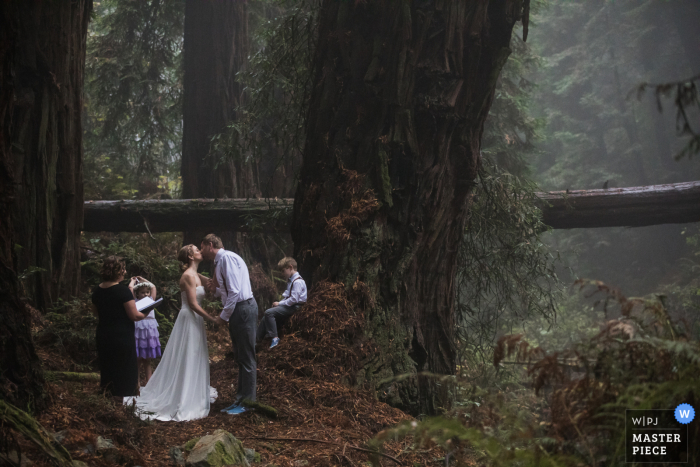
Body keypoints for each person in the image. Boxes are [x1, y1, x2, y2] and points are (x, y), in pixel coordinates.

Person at [124, 245, 219, 421]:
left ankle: (193, 391)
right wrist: (213, 319)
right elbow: (192, 304)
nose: (200, 251)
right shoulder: (188, 276)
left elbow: (214, 286)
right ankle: (183, 396)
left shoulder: (197, 275)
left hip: (195, 319)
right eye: (197, 249)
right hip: (189, 318)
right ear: (191, 256)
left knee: (196, 354)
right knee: (189, 354)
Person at [201, 233, 258, 415]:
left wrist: (222, 317)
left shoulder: (227, 259)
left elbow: (235, 292)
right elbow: (227, 290)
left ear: (210, 245)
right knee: (241, 357)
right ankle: (240, 399)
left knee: (247, 357)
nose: (201, 251)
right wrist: (215, 290)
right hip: (237, 309)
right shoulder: (220, 262)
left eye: (202, 247)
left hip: (242, 309)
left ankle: (248, 403)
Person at [92, 256, 147, 403]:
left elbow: (96, 313)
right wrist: (147, 311)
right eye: (123, 268)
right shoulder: (123, 291)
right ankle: (122, 402)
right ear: (117, 272)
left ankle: (107, 399)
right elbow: (135, 315)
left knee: (108, 366)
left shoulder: (97, 290)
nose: (125, 271)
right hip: (121, 336)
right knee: (124, 368)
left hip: (103, 334)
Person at [257, 257, 307, 349]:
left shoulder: (298, 282)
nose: (282, 274)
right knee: (266, 316)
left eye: (283, 271)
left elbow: (294, 300)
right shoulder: (291, 281)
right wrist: (279, 303)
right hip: (291, 305)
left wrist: (279, 304)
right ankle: (256, 340)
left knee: (269, 312)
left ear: (290, 267)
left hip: (296, 307)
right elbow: (288, 297)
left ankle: (275, 338)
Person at [128, 276, 161, 386]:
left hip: (149, 331)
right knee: (137, 360)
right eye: (143, 292)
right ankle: (136, 384)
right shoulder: (134, 302)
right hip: (139, 329)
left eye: (147, 292)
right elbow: (130, 289)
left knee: (147, 360)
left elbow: (153, 287)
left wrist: (143, 280)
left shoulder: (151, 300)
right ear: (137, 294)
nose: (146, 294)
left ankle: (149, 384)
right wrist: (133, 281)